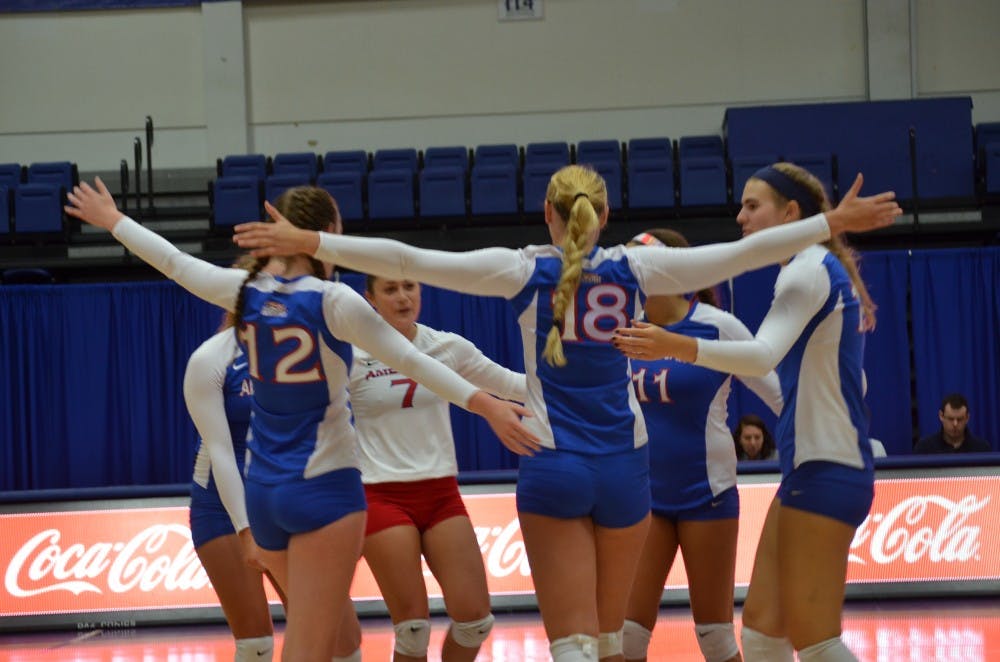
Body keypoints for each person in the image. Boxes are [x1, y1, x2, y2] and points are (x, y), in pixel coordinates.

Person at [231, 164, 899, 662]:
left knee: (573, 645)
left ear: (548, 214)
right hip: (625, 469)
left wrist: (313, 241)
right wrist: (830, 223)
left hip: (554, 465)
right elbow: (741, 254)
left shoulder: (525, 270)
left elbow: (412, 261)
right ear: (604, 215)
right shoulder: (640, 269)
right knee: (614, 641)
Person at [65, 180, 539, 662]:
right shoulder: (333, 300)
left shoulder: (245, 292)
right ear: (328, 232)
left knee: (325, 645)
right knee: (316, 646)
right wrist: (485, 404)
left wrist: (114, 220)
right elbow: (412, 360)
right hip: (323, 486)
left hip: (264, 492)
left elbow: (175, 263)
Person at [613, 162, 884, 662]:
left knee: (815, 642)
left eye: (753, 206)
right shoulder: (812, 268)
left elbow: (761, 357)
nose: (740, 217)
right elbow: (852, 380)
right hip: (810, 465)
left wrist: (675, 345)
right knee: (760, 636)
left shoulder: (806, 268)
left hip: (821, 466)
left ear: (791, 213)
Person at [618, 230, 782, 662]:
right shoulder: (621, 329)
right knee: (626, 639)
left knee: (715, 637)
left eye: (639, 263)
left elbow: (781, 396)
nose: (630, 274)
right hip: (644, 497)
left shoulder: (717, 326)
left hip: (707, 494)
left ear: (672, 269)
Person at [351, 274, 526, 661]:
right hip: (381, 495)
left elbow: (512, 384)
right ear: (370, 298)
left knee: (476, 621)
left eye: (409, 287)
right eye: (390, 289)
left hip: (441, 494)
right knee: (413, 630)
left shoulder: (447, 346)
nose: (402, 297)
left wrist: (581, 381)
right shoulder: (353, 352)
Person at [184, 274, 285, 662]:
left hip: (283, 502)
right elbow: (221, 453)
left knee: (333, 635)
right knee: (255, 645)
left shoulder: (298, 350)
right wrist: (246, 530)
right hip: (223, 509)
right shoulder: (213, 358)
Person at [913, 393, 992, 453]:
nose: (955, 424)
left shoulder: (981, 449)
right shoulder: (924, 449)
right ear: (941, 416)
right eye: (950, 419)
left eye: (960, 419)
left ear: (967, 418)